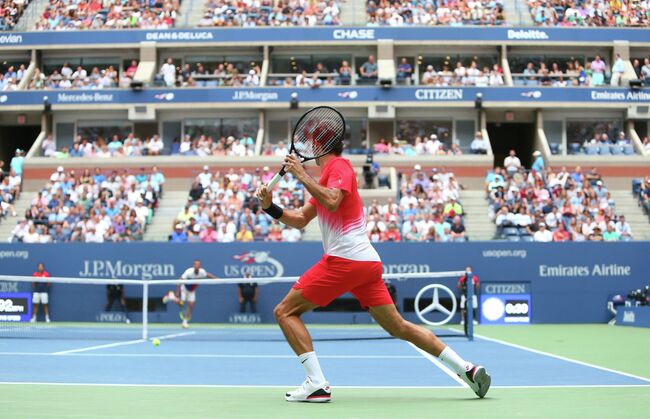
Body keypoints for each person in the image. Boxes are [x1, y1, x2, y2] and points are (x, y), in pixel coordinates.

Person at [255, 133, 490, 403]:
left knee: (285, 311)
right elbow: (298, 220)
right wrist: (269, 207)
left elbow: (332, 200)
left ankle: (317, 384)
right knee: (399, 327)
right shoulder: (325, 180)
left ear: (321, 147)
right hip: (365, 264)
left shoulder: (339, 166)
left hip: (345, 260)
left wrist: (300, 174)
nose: (308, 147)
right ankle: (467, 369)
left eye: (312, 142)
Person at [164, 259, 217, 328]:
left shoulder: (202, 272)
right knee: (181, 303)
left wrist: (217, 279)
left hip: (192, 291)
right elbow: (180, 280)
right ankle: (171, 296)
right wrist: (178, 291)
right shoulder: (188, 272)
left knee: (191, 306)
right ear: (194, 265)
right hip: (184, 288)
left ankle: (185, 322)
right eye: (196, 264)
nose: (197, 266)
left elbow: (208, 275)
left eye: (199, 265)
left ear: (200, 266)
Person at [457, 266, 479, 331]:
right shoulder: (462, 278)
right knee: (463, 307)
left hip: (473, 295)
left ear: (471, 271)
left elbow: (477, 285)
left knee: (474, 307)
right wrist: (463, 290)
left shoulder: (474, 278)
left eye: (469, 270)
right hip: (464, 295)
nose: (468, 271)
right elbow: (458, 285)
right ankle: (463, 320)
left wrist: (473, 289)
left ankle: (473, 320)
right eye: (467, 270)